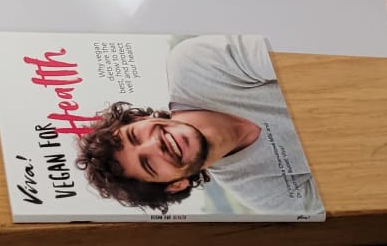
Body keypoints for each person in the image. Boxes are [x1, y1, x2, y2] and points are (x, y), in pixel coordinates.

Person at [78, 34, 321, 216]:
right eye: (149, 163)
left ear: (141, 119)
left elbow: (312, 54)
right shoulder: (266, 196)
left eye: (135, 136)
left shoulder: (195, 66)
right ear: (175, 185)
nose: (155, 144)